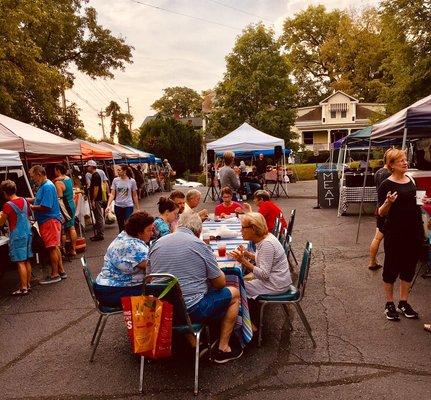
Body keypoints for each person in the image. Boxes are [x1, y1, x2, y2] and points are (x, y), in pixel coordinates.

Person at [148, 212, 243, 363]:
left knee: (178, 295)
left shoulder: (156, 244)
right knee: (234, 293)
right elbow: (219, 284)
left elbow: (151, 279)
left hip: (162, 308)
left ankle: (195, 343)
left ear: (178, 225)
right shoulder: (200, 245)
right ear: (199, 231)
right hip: (193, 309)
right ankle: (223, 347)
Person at [378, 149, 424, 321]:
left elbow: (417, 200)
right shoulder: (386, 185)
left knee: (409, 267)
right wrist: (388, 203)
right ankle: (389, 303)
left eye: (405, 159)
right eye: (401, 161)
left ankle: (403, 302)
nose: (406, 162)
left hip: (413, 231)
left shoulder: (411, 179)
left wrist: (424, 201)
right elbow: (381, 213)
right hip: (395, 232)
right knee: (391, 267)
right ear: (391, 165)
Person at [230, 212, 292, 325]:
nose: (240, 231)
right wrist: (247, 254)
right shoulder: (266, 237)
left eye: (243, 228)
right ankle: (245, 319)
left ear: (253, 228)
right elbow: (265, 260)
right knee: (238, 282)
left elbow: (264, 274)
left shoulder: (267, 244)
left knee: (233, 287)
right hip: (279, 280)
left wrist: (243, 261)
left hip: (275, 285)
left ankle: (246, 324)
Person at [93, 212, 154, 307]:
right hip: (112, 291)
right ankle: (151, 320)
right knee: (160, 291)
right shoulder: (132, 246)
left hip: (106, 287)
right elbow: (154, 266)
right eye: (149, 230)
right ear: (139, 232)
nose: (152, 233)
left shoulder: (124, 236)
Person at [28, 165, 66, 284]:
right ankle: (61, 271)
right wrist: (26, 200)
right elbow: (38, 199)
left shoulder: (47, 186)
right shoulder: (45, 185)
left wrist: (31, 207)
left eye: (33, 176)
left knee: (51, 247)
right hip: (49, 220)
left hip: (49, 220)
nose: (33, 179)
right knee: (54, 246)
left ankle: (55, 274)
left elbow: (46, 206)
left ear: (39, 174)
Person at [0, 180, 33, 295]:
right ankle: (28, 284)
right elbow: (28, 213)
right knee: (27, 259)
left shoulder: (7, 205)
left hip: (17, 234)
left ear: (4, 192)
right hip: (27, 232)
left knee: (20, 261)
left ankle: (23, 288)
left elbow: (1, 222)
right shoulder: (24, 200)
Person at [368, 150, 391, 270]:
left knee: (377, 237)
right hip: (386, 208)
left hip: (379, 206)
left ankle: (372, 261)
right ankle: (373, 262)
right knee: (380, 237)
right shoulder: (388, 174)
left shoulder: (378, 172)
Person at [106, 165, 139, 233]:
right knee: (121, 226)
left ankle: (128, 238)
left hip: (128, 206)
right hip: (118, 206)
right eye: (117, 170)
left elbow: (135, 195)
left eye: (119, 170)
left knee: (127, 224)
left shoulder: (132, 181)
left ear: (125, 171)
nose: (117, 172)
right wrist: (108, 205)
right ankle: (121, 240)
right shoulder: (115, 180)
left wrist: (138, 208)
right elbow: (112, 194)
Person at [53, 164, 77, 256]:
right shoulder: (68, 178)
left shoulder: (58, 183)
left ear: (58, 170)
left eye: (55, 170)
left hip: (64, 206)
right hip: (71, 204)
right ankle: (73, 249)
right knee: (72, 226)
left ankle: (63, 250)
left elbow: (59, 197)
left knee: (63, 229)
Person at [85, 160, 105, 241]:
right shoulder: (94, 175)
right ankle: (99, 233)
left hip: (97, 199)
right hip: (97, 198)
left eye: (87, 166)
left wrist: (93, 200)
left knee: (98, 216)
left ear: (91, 166)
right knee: (98, 216)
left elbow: (96, 189)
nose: (86, 168)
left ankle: (100, 234)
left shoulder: (95, 176)